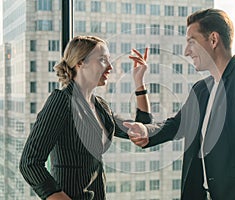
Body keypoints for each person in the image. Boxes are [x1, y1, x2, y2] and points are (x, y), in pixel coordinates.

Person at [125, 8, 235, 200]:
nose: (186, 51)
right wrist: (147, 131)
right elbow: (176, 124)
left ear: (213, 40)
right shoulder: (201, 88)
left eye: (191, 41)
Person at [19, 35, 152, 200]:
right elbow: (29, 163)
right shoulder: (62, 101)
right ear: (80, 63)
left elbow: (141, 129)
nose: (110, 67)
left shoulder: (100, 106)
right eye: (102, 60)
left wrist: (139, 83)